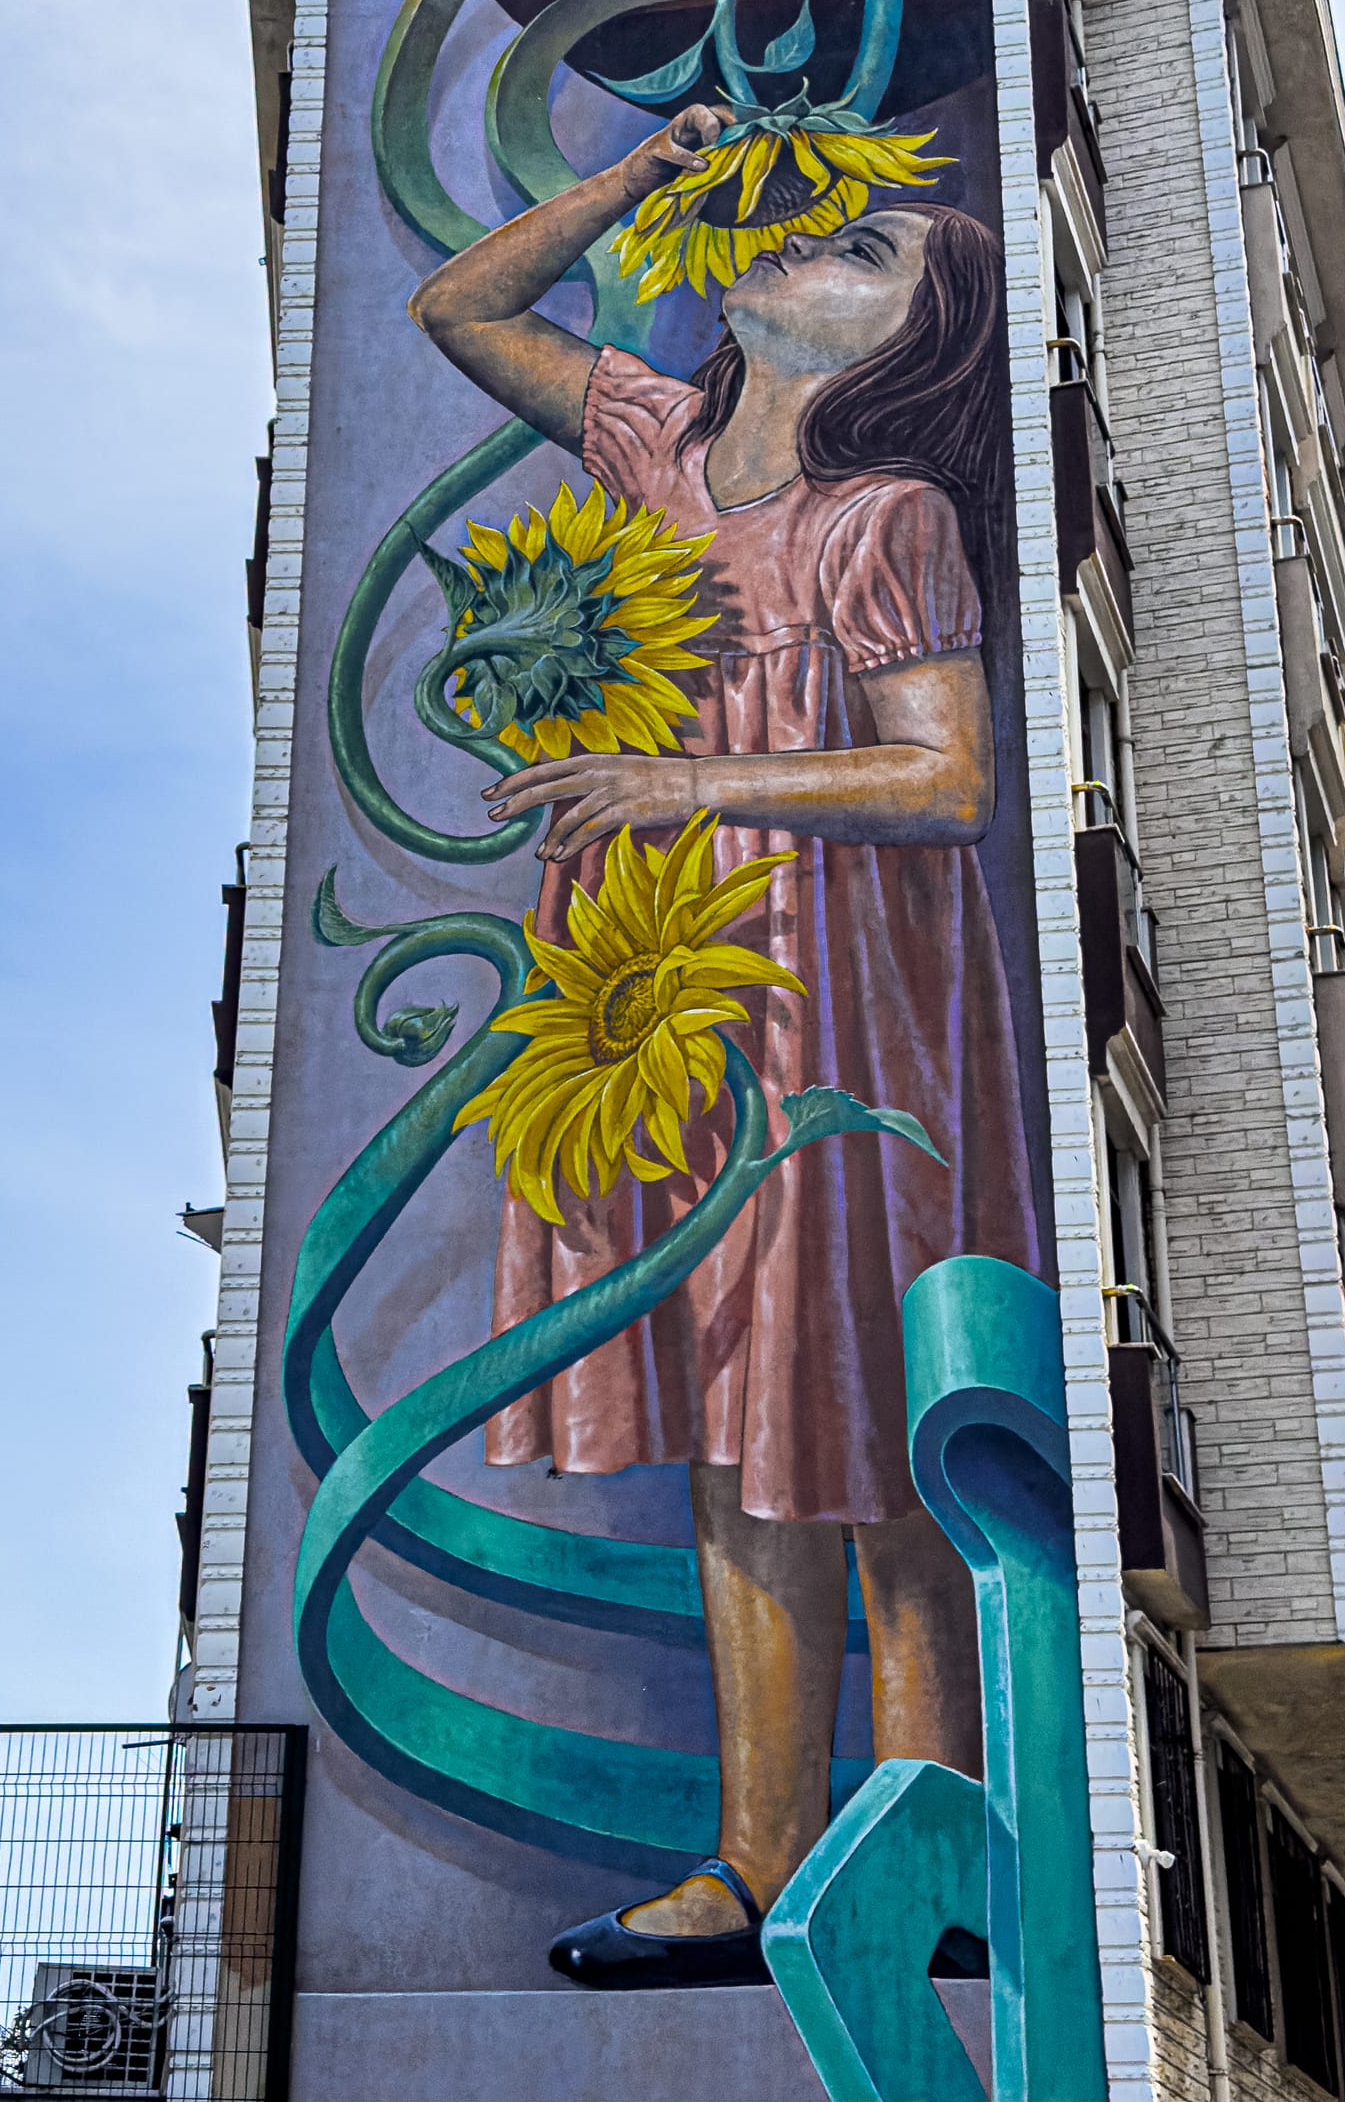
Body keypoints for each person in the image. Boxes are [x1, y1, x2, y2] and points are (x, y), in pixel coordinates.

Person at [408, 102, 1039, 1986]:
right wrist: (646, 180)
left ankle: (931, 1847)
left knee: (870, 1417)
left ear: (914, 342)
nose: (806, 253)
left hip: (846, 987)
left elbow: (950, 776)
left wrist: (691, 773)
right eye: (806, 228)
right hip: (662, 979)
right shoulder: (651, 441)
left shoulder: (886, 517)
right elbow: (458, 304)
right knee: (737, 1421)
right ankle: (754, 1866)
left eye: (869, 253)